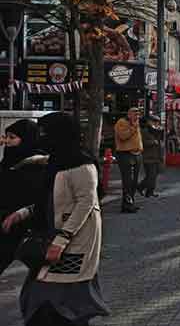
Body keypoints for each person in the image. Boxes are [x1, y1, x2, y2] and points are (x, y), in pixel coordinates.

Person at [2, 112, 110, 326]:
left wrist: (61, 241)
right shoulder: (56, 162)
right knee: (45, 297)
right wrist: (22, 214)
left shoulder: (82, 165)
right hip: (54, 237)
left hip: (74, 243)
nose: (42, 138)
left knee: (61, 301)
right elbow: (50, 200)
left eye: (46, 133)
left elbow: (85, 204)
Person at [0, 120, 47, 276]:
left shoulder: (37, 163)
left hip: (18, 224)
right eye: (6, 136)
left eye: (12, 137)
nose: (6, 141)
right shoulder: (8, 161)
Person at [115, 107, 142, 213]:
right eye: (135, 114)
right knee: (127, 181)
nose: (137, 116)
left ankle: (131, 202)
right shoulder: (121, 122)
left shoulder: (136, 123)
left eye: (138, 114)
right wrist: (133, 127)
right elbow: (123, 136)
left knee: (134, 181)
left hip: (137, 153)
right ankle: (127, 205)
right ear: (129, 114)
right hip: (126, 154)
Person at [138, 116, 163, 197]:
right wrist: (153, 142)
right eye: (154, 121)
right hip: (148, 156)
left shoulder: (156, 131)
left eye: (157, 122)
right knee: (151, 176)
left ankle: (149, 191)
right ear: (150, 122)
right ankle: (140, 187)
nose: (156, 123)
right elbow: (142, 142)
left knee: (154, 175)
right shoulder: (144, 131)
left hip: (156, 156)